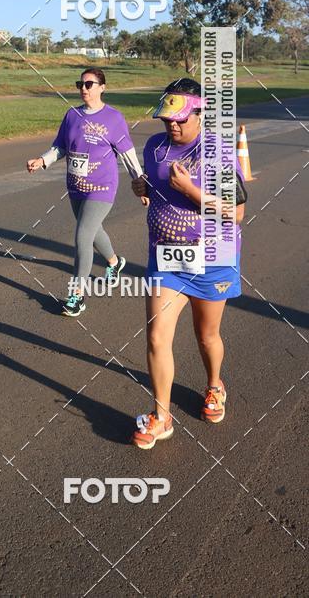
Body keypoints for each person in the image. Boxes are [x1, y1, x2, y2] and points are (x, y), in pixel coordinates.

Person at [130, 78, 248, 449]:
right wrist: (143, 188)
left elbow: (237, 213)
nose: (173, 126)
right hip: (165, 258)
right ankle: (161, 415)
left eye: (181, 119)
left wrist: (194, 194)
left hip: (213, 258)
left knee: (206, 334)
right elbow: (155, 184)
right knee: (156, 335)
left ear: (201, 114)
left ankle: (215, 386)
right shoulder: (153, 146)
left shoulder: (218, 152)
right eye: (167, 119)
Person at [26, 68, 143, 317]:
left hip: (103, 187)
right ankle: (114, 262)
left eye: (90, 84)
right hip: (76, 186)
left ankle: (76, 296)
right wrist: (42, 160)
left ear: (102, 87)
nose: (84, 88)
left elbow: (128, 154)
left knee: (82, 236)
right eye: (81, 83)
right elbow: (60, 146)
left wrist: (140, 182)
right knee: (92, 230)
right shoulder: (72, 115)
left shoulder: (113, 118)